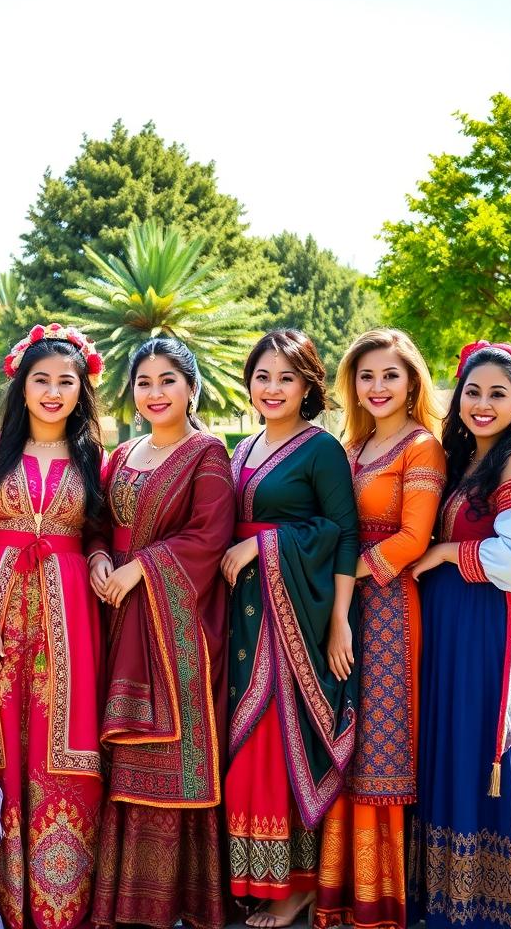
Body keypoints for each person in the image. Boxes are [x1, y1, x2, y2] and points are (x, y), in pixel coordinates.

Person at [0, 322, 105, 929]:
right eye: (42, 380)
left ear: (82, 390)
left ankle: (59, 903)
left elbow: (96, 535)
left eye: (66, 381)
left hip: (70, 619)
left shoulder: (94, 457)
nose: (54, 391)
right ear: (22, 385)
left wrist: (96, 559)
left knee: (62, 743)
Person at [410, 341, 511, 929]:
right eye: (472, 392)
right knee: (450, 739)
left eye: (496, 394)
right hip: (452, 625)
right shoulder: (466, 460)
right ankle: (451, 896)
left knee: (480, 746)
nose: (481, 404)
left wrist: (450, 551)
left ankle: (490, 906)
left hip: (486, 626)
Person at [90, 337, 234, 929]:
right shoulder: (120, 457)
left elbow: (209, 535)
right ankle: (120, 898)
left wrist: (139, 569)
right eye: (145, 382)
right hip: (116, 615)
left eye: (168, 381)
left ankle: (177, 899)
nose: (155, 393)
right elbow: (97, 522)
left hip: (176, 628)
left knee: (172, 754)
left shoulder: (207, 453)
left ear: (191, 389)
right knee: (120, 756)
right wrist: (100, 558)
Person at [222, 329, 360, 928]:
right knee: (244, 739)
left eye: (286, 377)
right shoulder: (243, 445)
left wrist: (338, 624)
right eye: (262, 376)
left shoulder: (320, 449)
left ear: (308, 385)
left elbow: (342, 531)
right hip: (243, 620)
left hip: (296, 619)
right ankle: (250, 878)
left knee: (281, 741)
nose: (272, 388)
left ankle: (297, 885)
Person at [313, 329, 446, 929]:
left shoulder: (421, 449)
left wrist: (346, 575)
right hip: (340, 603)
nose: (378, 387)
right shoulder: (350, 446)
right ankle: (334, 891)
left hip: (388, 604)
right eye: (366, 376)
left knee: (381, 742)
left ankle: (379, 898)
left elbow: (414, 538)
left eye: (390, 375)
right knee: (341, 729)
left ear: (413, 380)